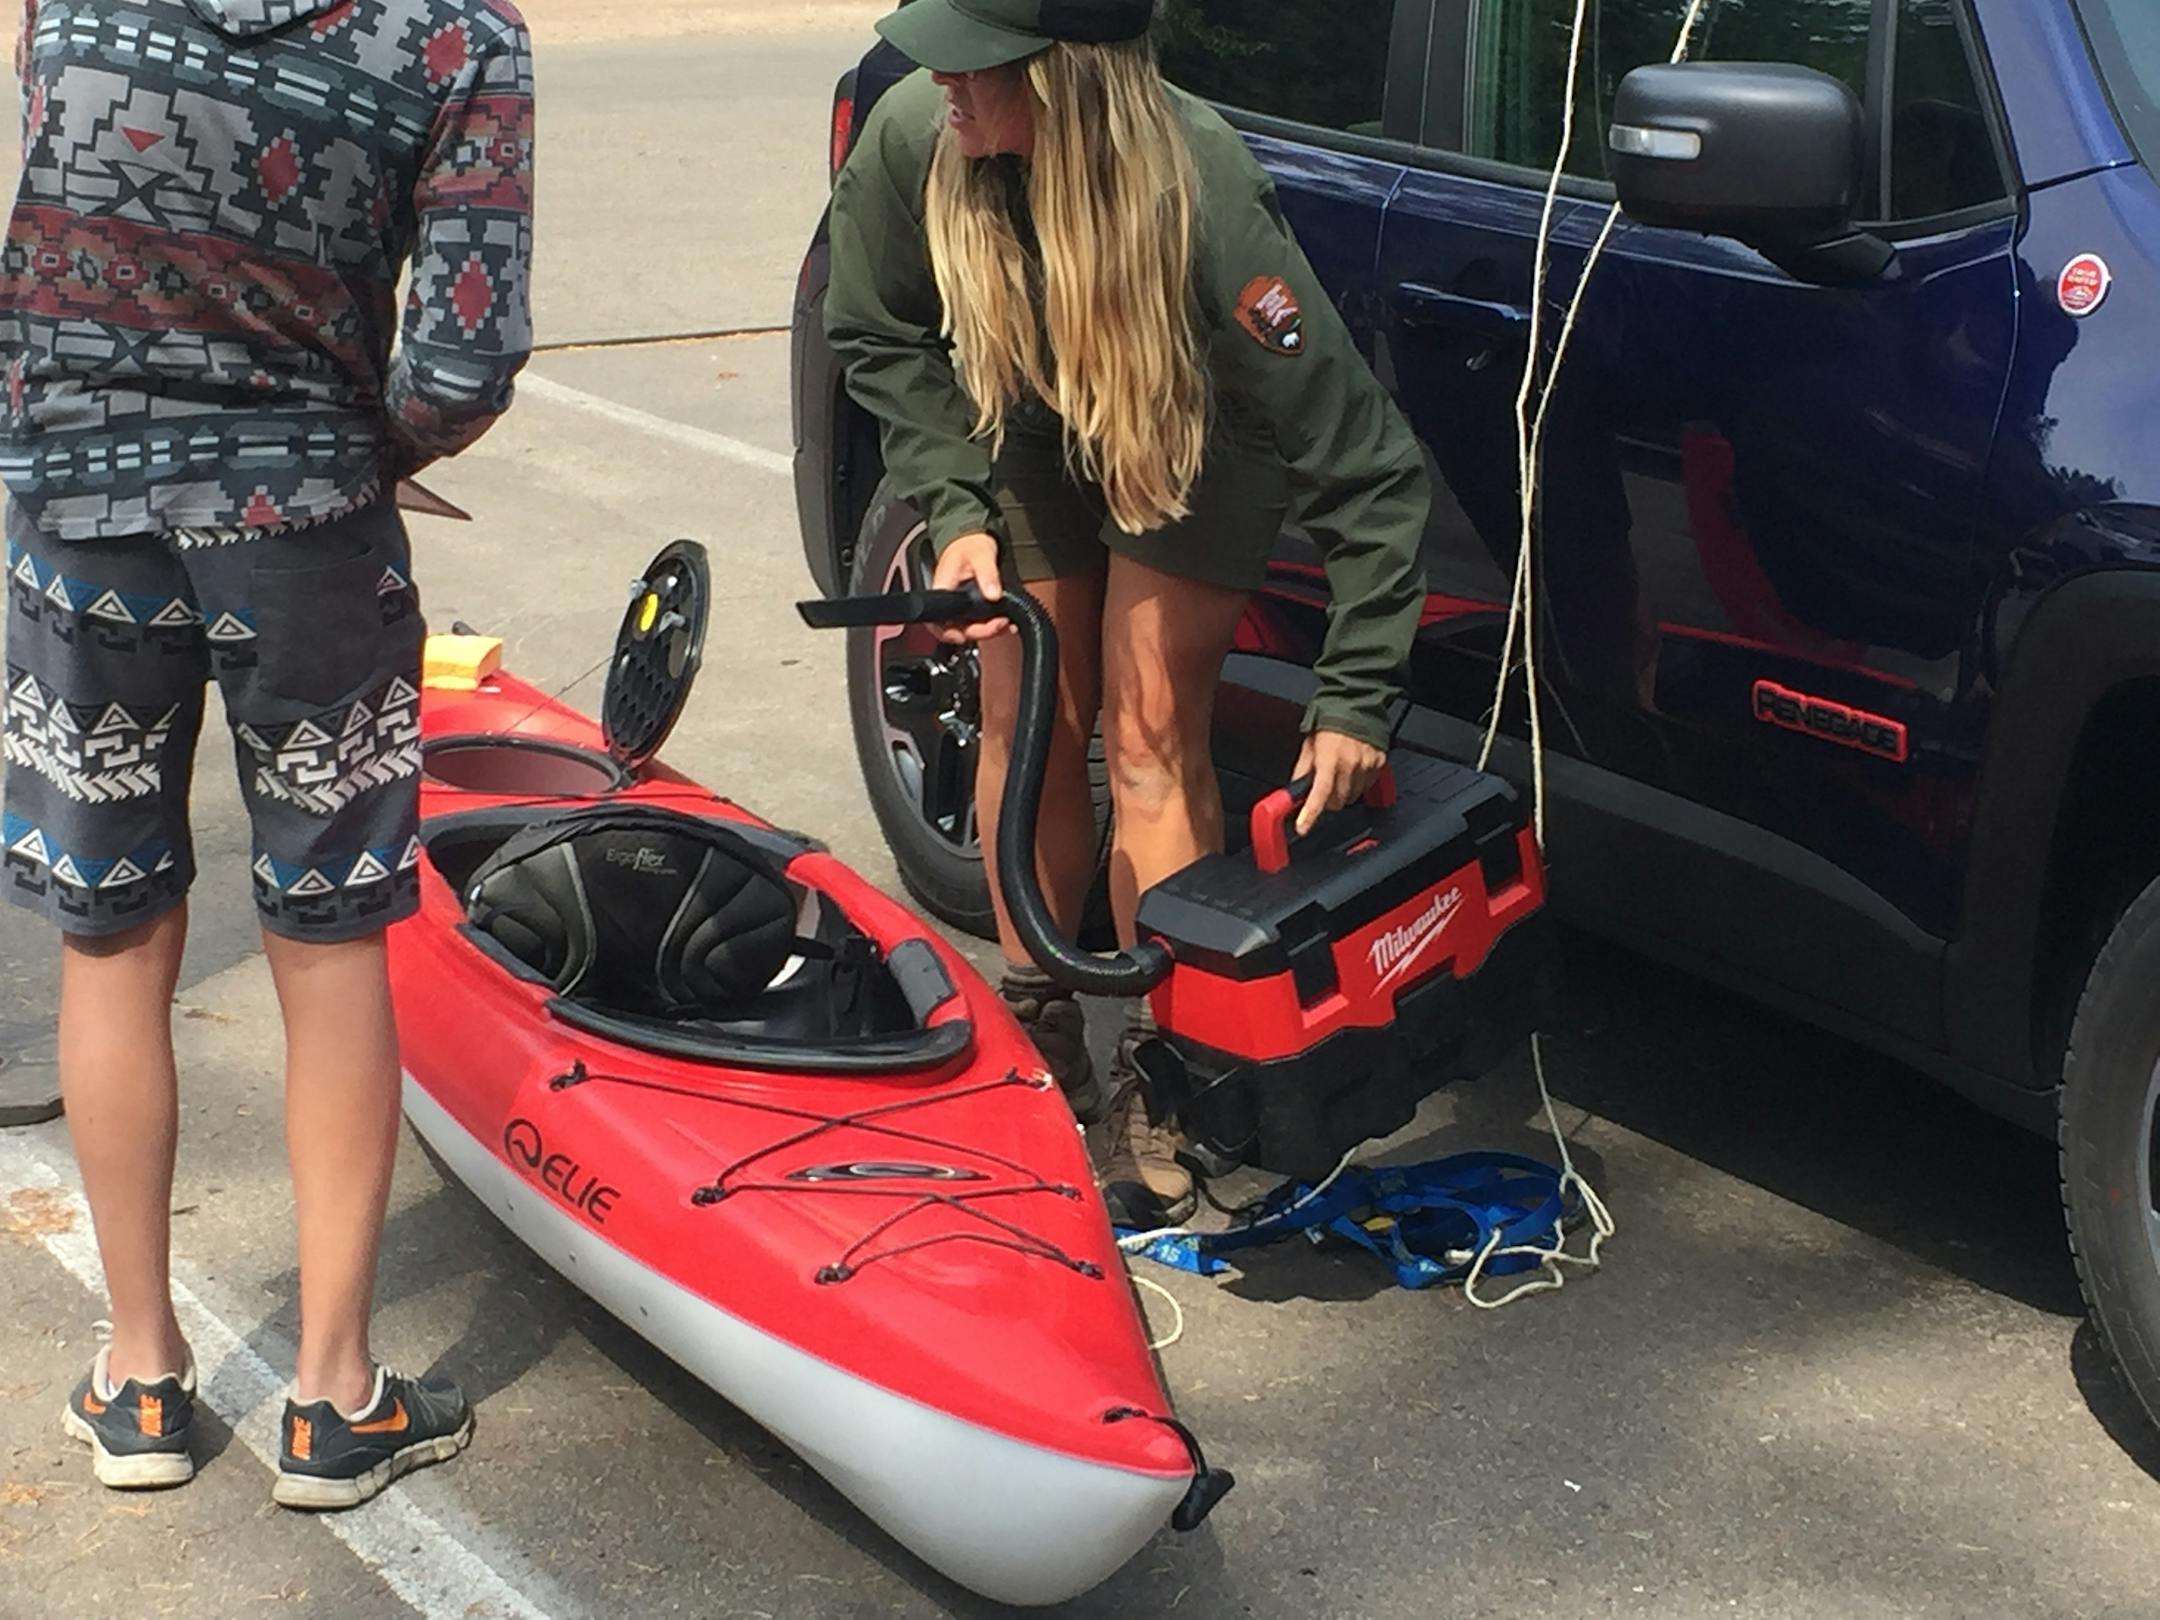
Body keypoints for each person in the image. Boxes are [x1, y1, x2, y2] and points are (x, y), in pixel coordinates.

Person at [3, 0, 533, 1501]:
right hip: (306, 536)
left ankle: (144, 1379)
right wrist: (353, 446)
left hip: (79, 526)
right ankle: (333, 1395)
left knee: (110, 940)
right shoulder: (462, 40)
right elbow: (460, 366)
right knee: (333, 934)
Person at [825, 0, 1431, 1227]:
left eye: (974, 65)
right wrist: (957, 508)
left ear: (1060, 80)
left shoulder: (1202, 192)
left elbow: (1367, 464)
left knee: (1151, 735)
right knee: (1027, 700)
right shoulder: (912, 135)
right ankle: (1039, 1021)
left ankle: (1171, 1063)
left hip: (1189, 424)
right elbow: (876, 331)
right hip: (1027, 410)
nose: (938, 77)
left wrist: (1358, 692)